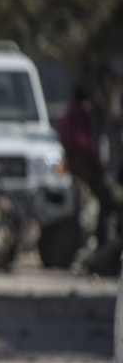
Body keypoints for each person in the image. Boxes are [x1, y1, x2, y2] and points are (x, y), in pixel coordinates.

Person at [58, 85, 123, 257]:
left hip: (75, 165)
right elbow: (82, 141)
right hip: (85, 165)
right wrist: (97, 162)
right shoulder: (80, 111)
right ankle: (103, 242)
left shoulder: (69, 111)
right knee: (111, 199)